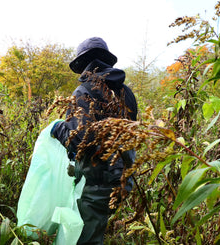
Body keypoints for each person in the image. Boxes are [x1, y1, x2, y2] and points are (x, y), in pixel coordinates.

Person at [50, 37, 138, 244]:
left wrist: (58, 129)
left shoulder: (84, 91)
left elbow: (80, 141)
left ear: (83, 65)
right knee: (97, 229)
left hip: (98, 183)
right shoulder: (126, 93)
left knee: (86, 239)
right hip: (123, 179)